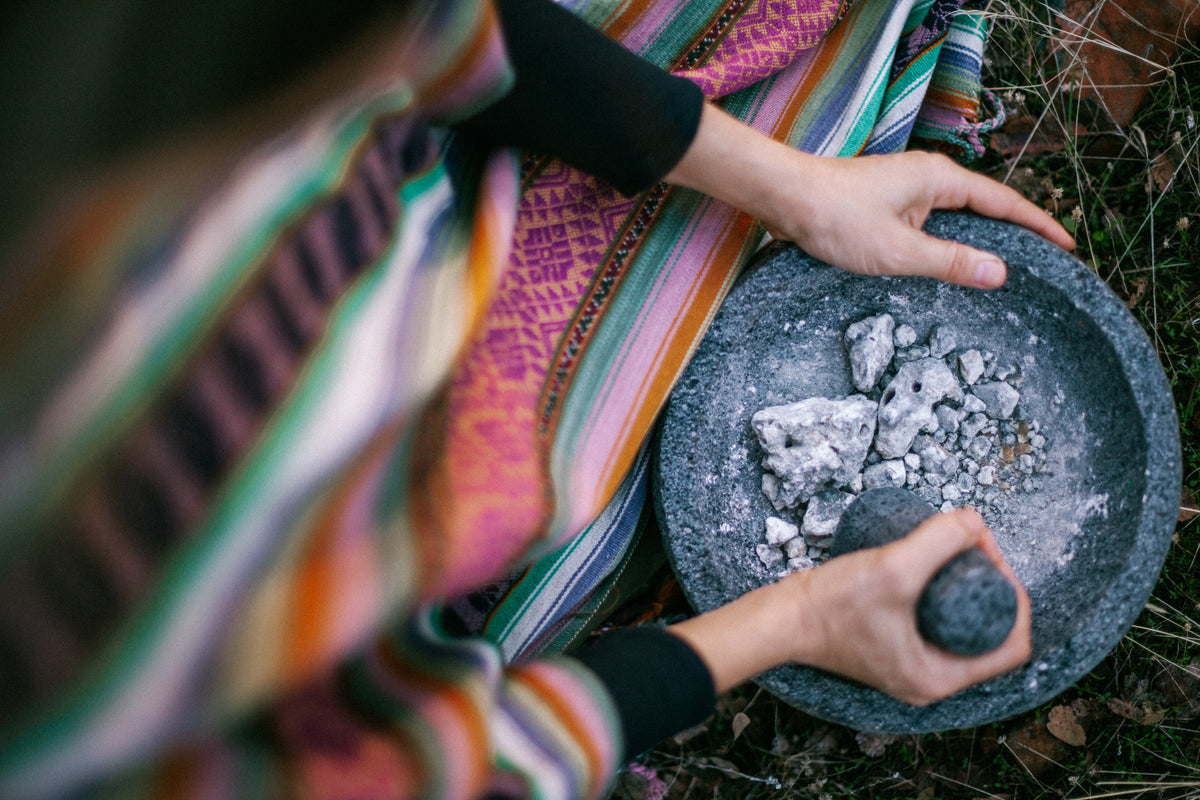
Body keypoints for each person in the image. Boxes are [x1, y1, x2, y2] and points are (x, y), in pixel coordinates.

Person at [0, 0, 1070, 796]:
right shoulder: (100, 672)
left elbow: (443, 33)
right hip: (387, 490)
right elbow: (465, 766)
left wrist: (789, 184)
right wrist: (801, 614)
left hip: (405, 214)